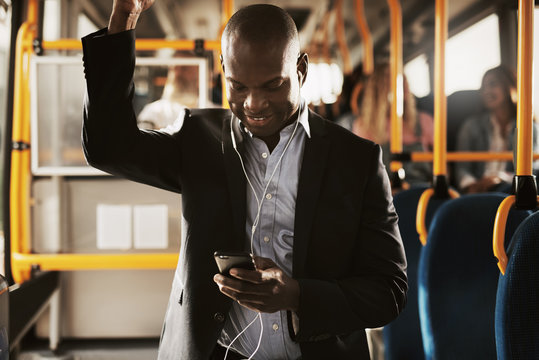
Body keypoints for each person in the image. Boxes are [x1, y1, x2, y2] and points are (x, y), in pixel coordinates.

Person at [81, 1, 407, 359]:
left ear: (300, 70)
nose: (254, 104)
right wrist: (123, 20)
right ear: (224, 71)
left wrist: (296, 295)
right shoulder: (198, 140)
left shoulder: (356, 160)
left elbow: (388, 291)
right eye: (238, 87)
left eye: (272, 86)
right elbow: (108, 149)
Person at [342, 63, 433, 185]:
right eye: (393, 81)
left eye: (403, 79)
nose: (403, 85)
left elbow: (442, 167)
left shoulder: (424, 120)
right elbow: (362, 173)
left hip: (424, 190)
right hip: (386, 193)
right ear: (379, 90)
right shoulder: (365, 126)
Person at [455, 65, 539, 193]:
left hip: (511, 189)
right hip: (477, 190)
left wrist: (500, 178)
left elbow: (532, 168)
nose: (486, 91)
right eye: (483, 87)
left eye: (493, 84)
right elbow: (462, 166)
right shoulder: (471, 126)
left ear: (509, 86)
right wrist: (472, 185)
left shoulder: (527, 127)